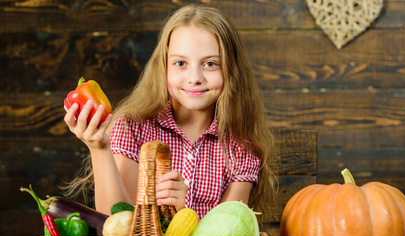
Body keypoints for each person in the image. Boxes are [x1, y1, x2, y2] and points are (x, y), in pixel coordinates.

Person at [63, 5, 275, 220]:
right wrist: (99, 149)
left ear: (232, 70)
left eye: (210, 64)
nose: (195, 78)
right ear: (163, 66)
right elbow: (115, 224)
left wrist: (184, 215)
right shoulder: (132, 127)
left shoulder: (241, 146)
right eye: (180, 63)